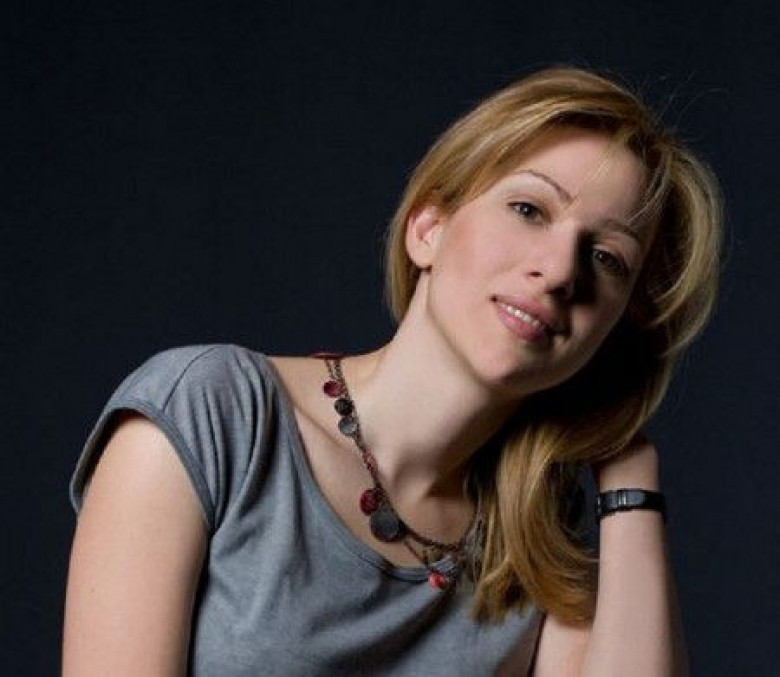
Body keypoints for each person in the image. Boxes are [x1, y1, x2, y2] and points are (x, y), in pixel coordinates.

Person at [62, 66, 721, 675]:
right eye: (529, 210)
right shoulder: (214, 415)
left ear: (614, 325)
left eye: (607, 258)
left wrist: (631, 477)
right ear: (427, 227)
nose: (558, 271)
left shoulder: (541, 531)